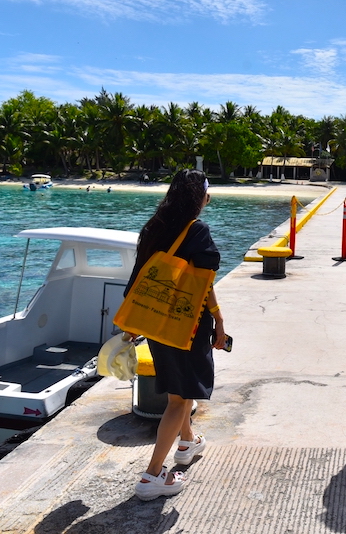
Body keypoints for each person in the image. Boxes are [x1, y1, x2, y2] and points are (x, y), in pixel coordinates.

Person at [124, 169, 229, 500]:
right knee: (180, 397)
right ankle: (152, 476)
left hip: (156, 321)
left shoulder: (154, 228)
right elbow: (204, 281)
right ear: (200, 197)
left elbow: (141, 275)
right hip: (187, 324)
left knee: (179, 389)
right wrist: (219, 320)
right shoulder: (197, 232)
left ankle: (187, 442)